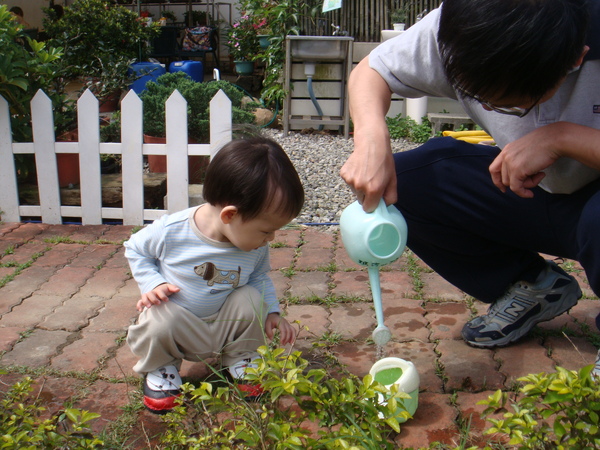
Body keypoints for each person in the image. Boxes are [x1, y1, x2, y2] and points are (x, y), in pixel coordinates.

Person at [341, 0, 600, 364]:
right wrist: (371, 135)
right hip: (529, 189)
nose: (493, 112)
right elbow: (371, 71)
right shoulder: (464, 23)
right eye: (479, 99)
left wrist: (562, 139)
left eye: (511, 106)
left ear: (574, 61)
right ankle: (534, 286)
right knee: (409, 182)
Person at [125, 137, 305, 414]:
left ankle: (240, 358)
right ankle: (162, 367)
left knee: (250, 297)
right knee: (156, 314)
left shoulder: (254, 245)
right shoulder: (172, 230)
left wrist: (272, 313)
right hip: (180, 325)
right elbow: (135, 249)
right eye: (265, 230)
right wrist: (153, 283)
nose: (270, 238)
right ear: (230, 215)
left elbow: (258, 278)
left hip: (225, 323)